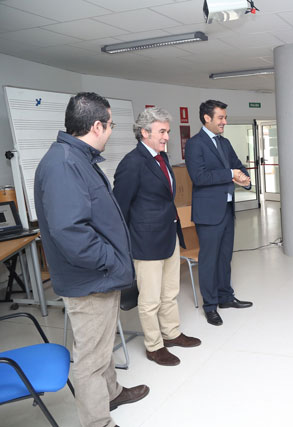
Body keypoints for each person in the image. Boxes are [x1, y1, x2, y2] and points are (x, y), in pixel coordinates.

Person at [34, 92, 149, 427]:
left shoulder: (77, 157)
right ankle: (97, 421)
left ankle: (111, 393)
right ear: (97, 125)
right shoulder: (64, 165)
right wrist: (111, 262)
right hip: (90, 280)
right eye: (111, 124)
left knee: (102, 345)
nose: (112, 131)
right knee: (90, 357)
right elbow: (71, 233)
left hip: (100, 277)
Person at [113, 107, 201, 367]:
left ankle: (171, 333)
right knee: (150, 299)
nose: (166, 137)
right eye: (162, 132)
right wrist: (127, 244)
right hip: (145, 241)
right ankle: (154, 346)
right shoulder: (132, 163)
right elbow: (120, 207)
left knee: (170, 291)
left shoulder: (161, 158)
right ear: (144, 132)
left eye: (168, 132)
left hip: (168, 235)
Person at [184, 99, 253, 327]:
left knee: (225, 257)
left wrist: (243, 178)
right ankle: (210, 306)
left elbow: (237, 165)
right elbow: (200, 177)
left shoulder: (224, 143)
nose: (224, 121)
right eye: (221, 118)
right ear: (207, 118)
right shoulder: (195, 144)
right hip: (208, 213)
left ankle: (225, 297)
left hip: (226, 208)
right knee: (209, 260)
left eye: (225, 117)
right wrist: (230, 174)